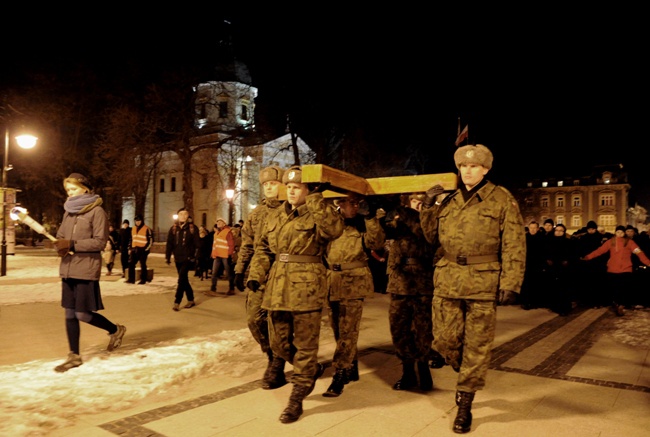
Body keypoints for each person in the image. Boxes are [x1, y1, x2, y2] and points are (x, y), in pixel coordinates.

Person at [420, 144, 526, 434]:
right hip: (448, 278)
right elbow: (431, 237)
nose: (467, 171)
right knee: (443, 339)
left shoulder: (501, 198)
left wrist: (511, 282)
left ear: (485, 169)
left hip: (483, 280)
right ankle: (460, 364)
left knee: (477, 346)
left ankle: (465, 401)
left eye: (474, 166)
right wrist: (428, 207)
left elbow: (515, 242)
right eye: (463, 167)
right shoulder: (449, 200)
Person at [246, 165, 344, 424]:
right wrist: (255, 275)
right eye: (288, 186)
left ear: (307, 189)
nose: (290, 191)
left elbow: (334, 230)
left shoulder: (317, 213)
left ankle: (297, 397)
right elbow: (263, 249)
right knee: (278, 343)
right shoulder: (274, 216)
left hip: (306, 289)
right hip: (277, 288)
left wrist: (316, 199)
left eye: (297, 187)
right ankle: (309, 369)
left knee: (305, 344)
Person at [53, 173, 126, 372]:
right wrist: (58, 244)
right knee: (69, 313)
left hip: (86, 269)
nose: (70, 193)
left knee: (82, 314)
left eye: (73, 189)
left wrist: (73, 244)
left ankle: (115, 330)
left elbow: (99, 242)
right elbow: (60, 236)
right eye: (68, 190)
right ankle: (74, 355)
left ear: (85, 188)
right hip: (67, 268)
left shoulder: (97, 211)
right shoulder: (68, 212)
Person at [322, 193, 385, 397]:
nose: (355, 207)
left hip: (354, 280)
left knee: (348, 330)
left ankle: (340, 372)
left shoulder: (362, 222)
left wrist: (370, 219)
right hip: (333, 280)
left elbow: (376, 243)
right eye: (351, 203)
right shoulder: (331, 223)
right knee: (338, 329)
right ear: (339, 203)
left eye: (357, 203)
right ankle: (352, 366)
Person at [233, 165, 285, 390]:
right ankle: (272, 355)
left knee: (280, 323)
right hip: (259, 275)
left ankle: (278, 365)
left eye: (273, 183)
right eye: (265, 185)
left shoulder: (291, 210)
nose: (269, 188)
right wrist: (239, 269)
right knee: (254, 320)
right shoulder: (256, 214)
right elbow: (247, 245)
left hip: (284, 275)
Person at [381, 192, 437, 393]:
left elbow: (427, 234)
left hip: (422, 281)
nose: (419, 205)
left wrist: (425, 210)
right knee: (399, 329)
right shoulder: (400, 219)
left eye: (422, 201)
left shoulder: (430, 220)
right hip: (400, 282)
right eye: (415, 201)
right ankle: (407, 371)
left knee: (422, 330)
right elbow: (385, 231)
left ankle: (423, 368)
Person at [581, 224, 650, 316]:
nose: (620, 233)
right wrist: (588, 257)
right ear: (615, 232)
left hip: (626, 269)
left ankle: (621, 304)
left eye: (621, 232)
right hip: (613, 269)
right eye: (618, 232)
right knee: (615, 288)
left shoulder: (630, 242)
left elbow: (639, 253)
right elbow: (600, 251)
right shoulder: (611, 242)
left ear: (624, 233)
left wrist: (648, 262)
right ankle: (618, 303)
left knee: (624, 288)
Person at [165, 207, 201, 311]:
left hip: (188, 258)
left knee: (181, 279)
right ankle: (191, 299)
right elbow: (169, 244)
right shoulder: (174, 229)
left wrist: (195, 257)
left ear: (188, 216)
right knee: (184, 279)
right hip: (178, 258)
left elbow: (197, 244)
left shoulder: (192, 228)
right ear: (178, 216)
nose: (183, 216)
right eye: (181, 214)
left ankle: (177, 301)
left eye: (185, 214)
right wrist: (167, 257)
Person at [520, 221, 547, 310]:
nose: (532, 230)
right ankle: (526, 302)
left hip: (538, 264)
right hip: (527, 264)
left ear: (538, 229)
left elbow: (544, 252)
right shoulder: (524, 238)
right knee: (527, 284)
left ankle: (536, 302)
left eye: (534, 228)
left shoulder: (542, 238)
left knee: (537, 283)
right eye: (531, 228)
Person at [207, 218, 235, 295]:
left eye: (220, 222)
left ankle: (231, 288)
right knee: (214, 272)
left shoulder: (227, 232)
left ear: (224, 224)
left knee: (228, 272)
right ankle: (213, 289)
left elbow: (231, 244)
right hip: (217, 255)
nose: (218, 223)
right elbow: (215, 244)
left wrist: (230, 254)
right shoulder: (216, 233)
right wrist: (213, 253)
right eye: (217, 222)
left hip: (225, 255)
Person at [127, 215, 153, 285]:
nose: (137, 222)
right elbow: (131, 239)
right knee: (131, 264)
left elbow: (150, 240)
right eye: (136, 221)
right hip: (134, 249)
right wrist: (130, 248)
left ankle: (143, 279)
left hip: (142, 250)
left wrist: (146, 249)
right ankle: (131, 279)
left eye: (139, 221)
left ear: (142, 221)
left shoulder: (147, 229)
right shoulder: (133, 229)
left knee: (143, 265)